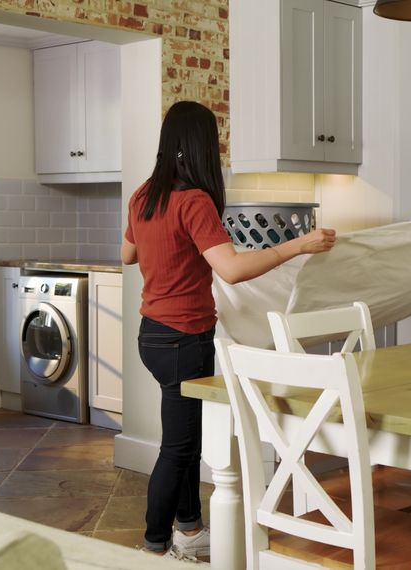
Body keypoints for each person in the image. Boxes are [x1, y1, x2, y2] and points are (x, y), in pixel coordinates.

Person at [121, 101, 336, 559]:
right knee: (179, 448)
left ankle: (189, 530)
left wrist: (168, 251)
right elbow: (232, 270)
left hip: (152, 335)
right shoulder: (193, 201)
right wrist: (298, 245)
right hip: (184, 339)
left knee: (185, 440)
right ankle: (152, 548)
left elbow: (127, 254)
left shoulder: (143, 196)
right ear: (201, 145)